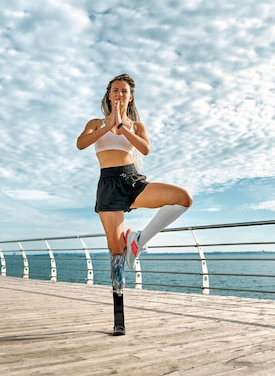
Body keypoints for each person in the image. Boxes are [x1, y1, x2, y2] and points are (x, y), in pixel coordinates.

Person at [76, 73, 193, 333]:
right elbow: (81, 143)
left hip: (132, 181)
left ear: (130, 97)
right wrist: (109, 125)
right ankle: (119, 319)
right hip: (107, 185)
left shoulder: (137, 125)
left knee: (183, 198)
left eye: (125, 91)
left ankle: (138, 241)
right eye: (116, 90)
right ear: (109, 94)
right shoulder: (95, 123)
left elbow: (145, 149)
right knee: (116, 251)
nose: (120, 94)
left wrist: (124, 127)